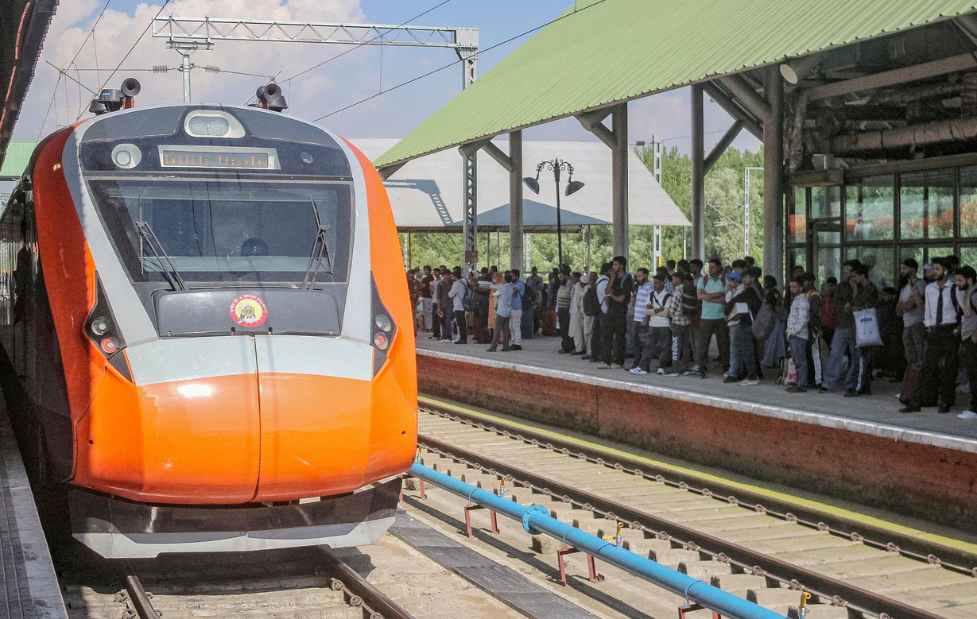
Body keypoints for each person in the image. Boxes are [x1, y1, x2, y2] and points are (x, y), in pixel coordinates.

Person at [901, 258, 960, 413]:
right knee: (928, 366)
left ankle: (946, 400)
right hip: (935, 329)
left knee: (949, 367)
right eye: (933, 269)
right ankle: (917, 400)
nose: (934, 272)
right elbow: (928, 309)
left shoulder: (954, 287)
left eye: (937, 269)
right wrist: (928, 326)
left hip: (950, 328)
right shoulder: (930, 288)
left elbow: (960, 309)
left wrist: (958, 329)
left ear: (945, 271)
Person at [820, 260, 861, 393]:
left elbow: (859, 302)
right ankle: (828, 383)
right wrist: (847, 306)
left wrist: (854, 294)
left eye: (847, 269)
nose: (844, 271)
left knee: (855, 356)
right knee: (835, 353)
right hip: (842, 324)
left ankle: (851, 384)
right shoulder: (840, 286)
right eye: (844, 269)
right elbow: (837, 304)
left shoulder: (861, 286)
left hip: (856, 325)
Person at [845, 263, 879, 397]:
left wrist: (854, 290)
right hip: (861, 325)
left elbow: (856, 303)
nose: (853, 280)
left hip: (865, 326)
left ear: (862, 276)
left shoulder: (869, 288)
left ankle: (857, 386)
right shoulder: (863, 288)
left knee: (860, 356)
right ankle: (864, 385)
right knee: (862, 356)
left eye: (855, 277)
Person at [696, 258, 729, 379]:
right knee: (703, 344)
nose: (710, 269)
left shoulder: (725, 280)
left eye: (713, 267)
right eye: (709, 267)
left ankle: (726, 367)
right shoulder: (703, 280)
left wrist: (708, 297)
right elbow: (700, 296)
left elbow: (726, 299)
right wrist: (717, 294)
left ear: (719, 268)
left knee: (723, 344)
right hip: (706, 316)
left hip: (721, 317)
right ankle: (701, 368)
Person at [728, 269, 762, 386]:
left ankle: (752, 377)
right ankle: (753, 374)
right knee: (750, 350)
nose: (743, 280)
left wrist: (727, 311)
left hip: (748, 323)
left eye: (746, 277)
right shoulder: (756, 290)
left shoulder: (750, 291)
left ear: (752, 279)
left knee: (747, 351)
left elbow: (733, 301)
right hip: (752, 323)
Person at [634, 272, 672, 375]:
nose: (654, 285)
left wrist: (653, 310)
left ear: (662, 283)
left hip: (664, 325)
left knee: (664, 347)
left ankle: (662, 367)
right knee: (648, 347)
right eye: (654, 283)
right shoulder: (651, 295)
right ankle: (643, 367)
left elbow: (665, 313)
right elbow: (646, 311)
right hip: (653, 325)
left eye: (656, 283)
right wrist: (658, 309)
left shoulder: (668, 296)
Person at [598, 256, 632, 369]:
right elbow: (606, 291)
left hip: (621, 311)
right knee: (607, 334)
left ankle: (619, 361)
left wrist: (612, 295)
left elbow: (622, 298)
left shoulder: (627, 278)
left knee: (619, 336)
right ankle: (605, 360)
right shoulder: (612, 277)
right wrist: (612, 280)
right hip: (611, 310)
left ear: (622, 265)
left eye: (616, 264)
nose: (613, 267)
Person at [896, 258, 926, 374]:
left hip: (917, 323)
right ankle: (912, 378)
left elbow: (912, 305)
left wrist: (906, 304)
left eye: (904, 268)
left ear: (912, 269)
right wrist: (906, 304)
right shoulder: (904, 288)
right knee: (909, 354)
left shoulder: (920, 284)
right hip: (906, 323)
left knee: (920, 352)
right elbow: (898, 310)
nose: (902, 271)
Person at [955, 266, 977, 419]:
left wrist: (975, 334)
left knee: (974, 374)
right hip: (968, 336)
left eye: (960, 280)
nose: (957, 283)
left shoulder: (974, 295)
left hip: (973, 338)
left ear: (969, 280)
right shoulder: (968, 293)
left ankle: (975, 408)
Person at [662, 272, 693, 377]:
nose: (672, 281)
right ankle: (684, 368)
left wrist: (670, 315)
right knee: (685, 346)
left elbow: (673, 309)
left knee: (675, 346)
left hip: (677, 322)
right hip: (687, 322)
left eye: (673, 279)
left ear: (677, 279)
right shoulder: (687, 289)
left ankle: (675, 369)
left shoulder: (677, 292)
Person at [786, 278, 810, 392]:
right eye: (790, 287)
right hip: (794, 334)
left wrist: (793, 331)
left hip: (799, 335)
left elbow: (802, 320)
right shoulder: (795, 300)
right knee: (796, 361)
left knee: (800, 361)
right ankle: (798, 382)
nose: (792, 289)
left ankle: (802, 384)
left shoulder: (802, 301)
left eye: (794, 287)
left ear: (800, 288)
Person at [629, 268, 654, 373]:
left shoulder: (650, 287)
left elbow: (650, 304)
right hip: (637, 318)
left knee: (644, 344)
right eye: (637, 276)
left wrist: (646, 318)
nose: (638, 278)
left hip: (644, 319)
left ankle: (644, 365)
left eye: (640, 276)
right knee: (637, 344)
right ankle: (636, 364)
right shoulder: (638, 287)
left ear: (646, 275)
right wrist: (633, 302)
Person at [802, 272, 823, 388]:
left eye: (804, 281)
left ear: (810, 281)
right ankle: (811, 378)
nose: (803, 284)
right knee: (809, 354)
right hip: (808, 327)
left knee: (814, 354)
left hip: (812, 328)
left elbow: (814, 313)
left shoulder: (814, 295)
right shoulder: (807, 294)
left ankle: (817, 379)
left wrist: (814, 327)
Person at [589, 262, 612, 362]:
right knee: (604, 334)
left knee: (596, 333)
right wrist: (610, 309)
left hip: (598, 310)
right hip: (604, 310)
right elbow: (606, 297)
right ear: (607, 271)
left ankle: (594, 354)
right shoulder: (605, 281)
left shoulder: (599, 280)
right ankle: (603, 355)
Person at [487, 271, 514, 352]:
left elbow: (490, 286)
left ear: (504, 279)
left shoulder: (502, 287)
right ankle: (506, 347)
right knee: (506, 330)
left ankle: (493, 347)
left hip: (501, 311)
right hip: (508, 311)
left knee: (497, 330)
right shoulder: (511, 287)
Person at [569, 271, 589, 355]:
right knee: (577, 331)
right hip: (576, 311)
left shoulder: (584, 288)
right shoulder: (577, 287)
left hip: (582, 312)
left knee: (584, 331)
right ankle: (579, 348)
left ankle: (582, 348)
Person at [448, 268, 468, 344]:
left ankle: (461, 338)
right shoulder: (463, 282)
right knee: (463, 322)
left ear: (454, 276)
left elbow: (450, 294)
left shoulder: (456, 284)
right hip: (463, 304)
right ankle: (464, 337)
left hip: (458, 305)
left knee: (459, 323)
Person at [556, 268, 574, 353]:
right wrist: (557, 309)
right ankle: (564, 345)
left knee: (565, 328)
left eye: (562, 276)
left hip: (567, 310)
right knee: (561, 329)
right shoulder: (561, 285)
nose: (560, 278)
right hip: (561, 309)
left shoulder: (571, 286)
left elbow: (573, 299)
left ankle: (568, 346)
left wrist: (571, 311)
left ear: (566, 276)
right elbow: (558, 297)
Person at [510, 269, 525, 351]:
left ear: (517, 276)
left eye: (512, 276)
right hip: (510, 308)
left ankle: (518, 343)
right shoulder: (510, 284)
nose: (511, 277)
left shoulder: (520, 284)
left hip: (517, 308)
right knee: (511, 326)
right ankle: (513, 342)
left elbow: (513, 290)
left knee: (516, 326)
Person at [527, 266, 544, 334]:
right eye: (532, 271)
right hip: (530, 296)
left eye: (535, 271)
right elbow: (528, 287)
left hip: (537, 296)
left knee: (537, 312)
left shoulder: (540, 278)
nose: (534, 272)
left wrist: (537, 282)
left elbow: (541, 287)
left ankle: (536, 328)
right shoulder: (528, 279)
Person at [420, 265, 434, 332]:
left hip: (427, 296)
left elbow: (424, 286)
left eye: (427, 270)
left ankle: (429, 326)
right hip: (426, 296)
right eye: (425, 270)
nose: (426, 271)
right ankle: (428, 326)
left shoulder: (428, 278)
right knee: (426, 312)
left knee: (428, 311)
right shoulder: (431, 278)